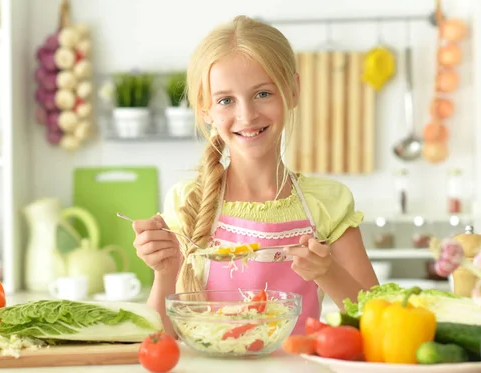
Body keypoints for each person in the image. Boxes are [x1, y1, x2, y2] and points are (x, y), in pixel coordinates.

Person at [132, 15, 378, 336]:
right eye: (225, 100)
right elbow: (159, 341)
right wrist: (165, 273)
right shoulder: (185, 202)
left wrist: (327, 271)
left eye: (262, 93)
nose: (247, 115)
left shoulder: (327, 203)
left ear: (292, 91)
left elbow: (377, 316)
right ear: (206, 110)